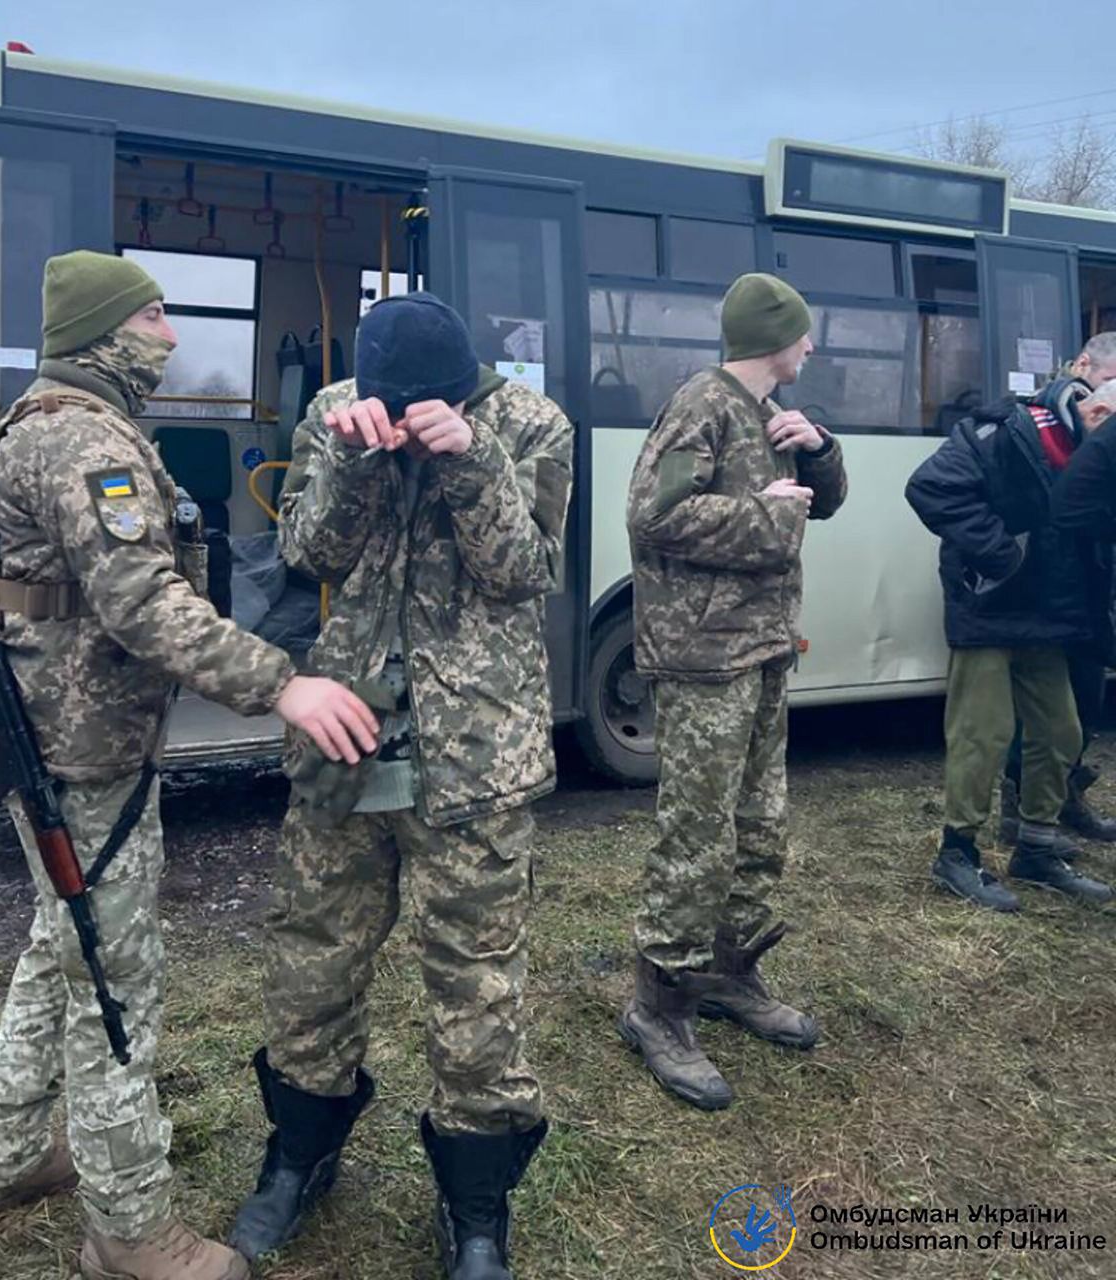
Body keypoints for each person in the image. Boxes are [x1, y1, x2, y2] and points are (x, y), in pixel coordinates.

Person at [0, 250, 379, 1280]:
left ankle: (4, 1155)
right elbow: (145, 601)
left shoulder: (28, 424)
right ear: (104, 331)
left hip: (52, 738)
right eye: (152, 316)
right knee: (113, 983)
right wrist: (284, 684)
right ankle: (131, 1229)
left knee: (63, 945)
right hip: (83, 748)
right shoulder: (82, 443)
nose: (171, 335)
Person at [229, 292, 573, 1280]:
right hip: (346, 732)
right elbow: (308, 552)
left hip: (477, 751)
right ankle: (299, 1151)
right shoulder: (337, 408)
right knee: (312, 955)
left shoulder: (530, 422)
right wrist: (349, 458)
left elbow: (524, 570)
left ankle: (475, 1206)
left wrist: (467, 458)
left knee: (474, 976)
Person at [620, 273, 847, 1112]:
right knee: (698, 834)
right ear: (771, 337)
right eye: (804, 335)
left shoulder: (770, 413)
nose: (812, 347)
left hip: (760, 650)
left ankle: (729, 972)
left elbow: (820, 504)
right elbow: (653, 517)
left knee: (760, 824)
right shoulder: (702, 405)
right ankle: (658, 1006)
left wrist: (817, 450)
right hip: (702, 655)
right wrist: (767, 511)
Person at [906, 375, 1116, 913]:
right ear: (1097, 417)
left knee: (1060, 732)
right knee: (983, 733)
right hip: (989, 609)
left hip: (1048, 617)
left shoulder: (1092, 452)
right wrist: (1005, 557)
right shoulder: (1000, 433)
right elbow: (929, 489)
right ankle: (956, 853)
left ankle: (1037, 849)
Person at [1001, 333, 1116, 846]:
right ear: (1085, 366)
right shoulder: (1040, 421)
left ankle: (1068, 796)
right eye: (1111, 381)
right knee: (1044, 710)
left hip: (1093, 585)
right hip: (1050, 586)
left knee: (1086, 699)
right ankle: (1019, 808)